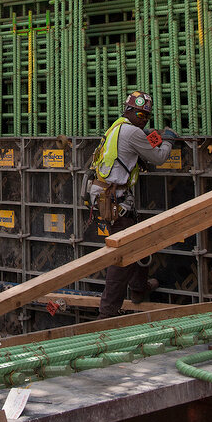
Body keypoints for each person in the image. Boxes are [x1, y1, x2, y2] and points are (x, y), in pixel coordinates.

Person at [89, 91, 178, 318]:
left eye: (147, 116)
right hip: (115, 200)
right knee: (123, 256)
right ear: (130, 111)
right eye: (141, 114)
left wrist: (149, 136)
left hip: (111, 197)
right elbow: (158, 157)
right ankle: (106, 313)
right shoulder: (132, 132)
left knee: (140, 240)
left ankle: (139, 288)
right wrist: (168, 140)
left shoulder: (117, 127)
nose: (144, 119)